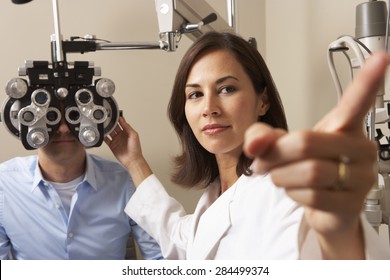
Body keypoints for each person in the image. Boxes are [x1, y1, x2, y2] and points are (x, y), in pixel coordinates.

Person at [105, 31, 390, 259]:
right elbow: (182, 240)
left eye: (226, 89)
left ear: (262, 101)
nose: (209, 108)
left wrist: (340, 232)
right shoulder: (217, 194)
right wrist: (134, 162)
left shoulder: (286, 194)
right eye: (195, 94)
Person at [0, 115, 162, 259]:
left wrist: (135, 163)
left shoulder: (124, 181)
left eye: (74, 116)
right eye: (51, 117)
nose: (63, 128)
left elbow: (162, 261)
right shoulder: (4, 184)